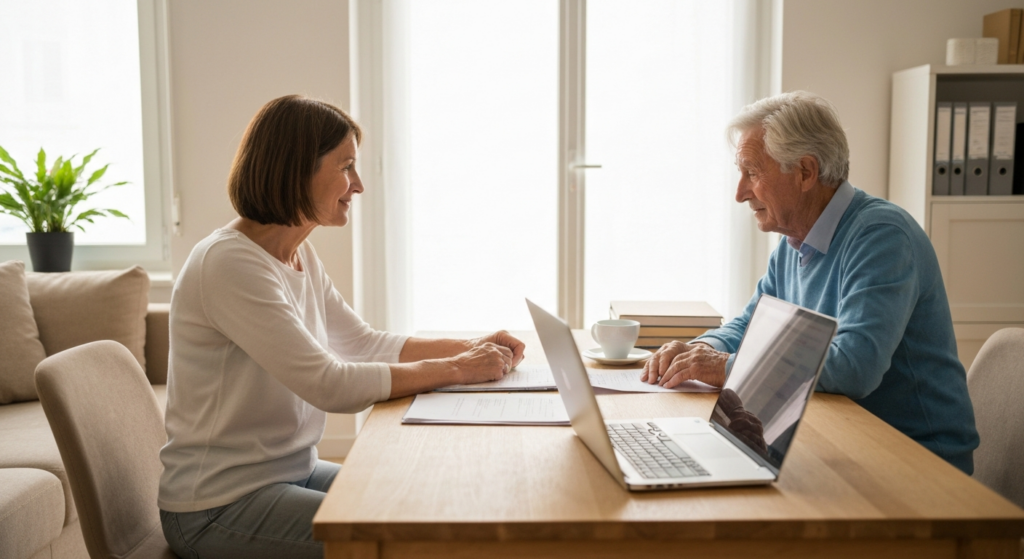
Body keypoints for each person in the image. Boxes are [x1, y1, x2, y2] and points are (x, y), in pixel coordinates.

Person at [158, 95, 525, 559]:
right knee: (410, 544)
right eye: (346, 167)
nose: (359, 185)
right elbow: (329, 384)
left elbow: (362, 343)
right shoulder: (228, 263)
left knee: (427, 504)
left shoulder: (297, 254)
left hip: (291, 473)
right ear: (297, 170)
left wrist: (473, 347)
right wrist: (457, 368)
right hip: (217, 505)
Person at [641, 91, 979, 474]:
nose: (739, 193)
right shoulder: (794, 241)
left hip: (917, 463)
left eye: (752, 173)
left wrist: (723, 366)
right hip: (844, 441)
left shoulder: (882, 236)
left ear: (805, 171)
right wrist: (698, 350)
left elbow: (854, 367)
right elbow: (748, 326)